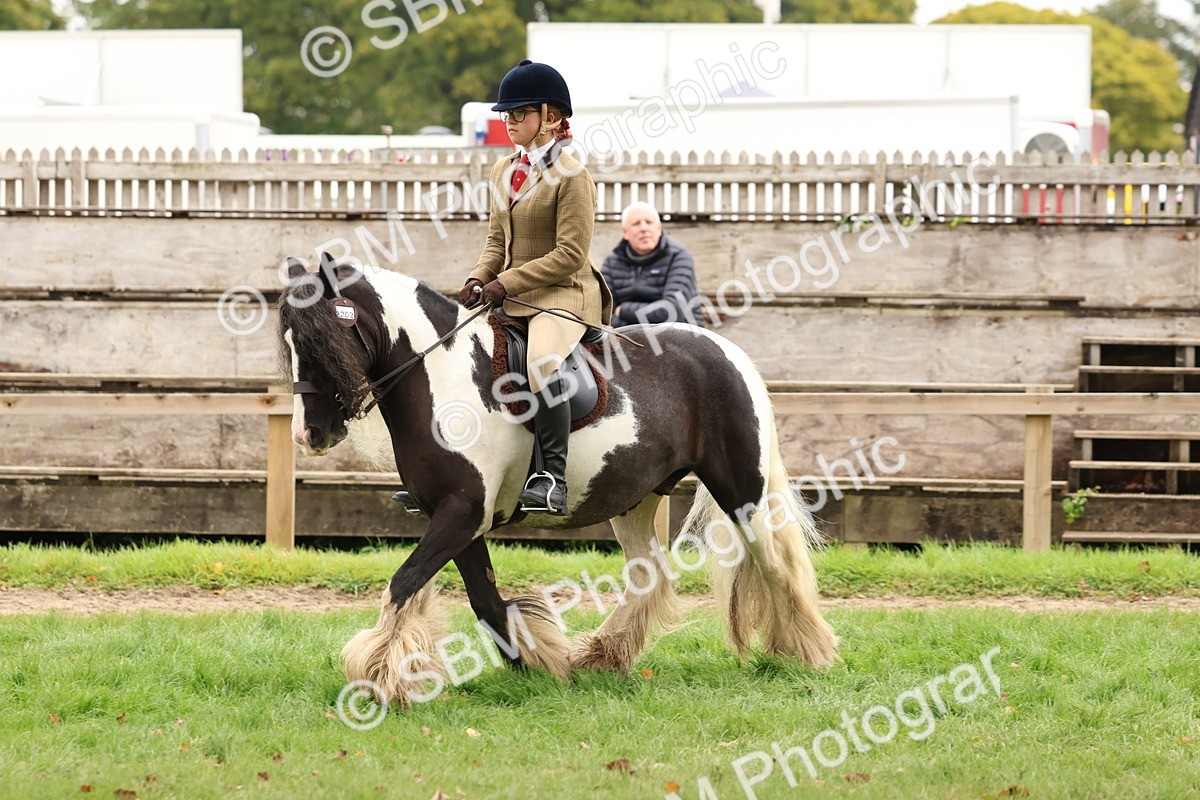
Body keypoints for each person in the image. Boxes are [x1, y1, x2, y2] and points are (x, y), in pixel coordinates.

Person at [394, 60, 611, 518]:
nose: (509, 122)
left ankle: (550, 476)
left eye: (519, 113)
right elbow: (497, 241)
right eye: (506, 115)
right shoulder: (503, 170)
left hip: (562, 292)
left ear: (551, 116)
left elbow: (570, 254)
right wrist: (477, 278)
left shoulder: (574, 176)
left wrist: (504, 282)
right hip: (509, 292)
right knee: (456, 359)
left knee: (540, 364)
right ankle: (444, 473)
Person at [601, 202, 703, 328]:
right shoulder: (611, 263)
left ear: (659, 228)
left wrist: (623, 310)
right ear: (625, 232)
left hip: (680, 339)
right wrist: (632, 331)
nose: (644, 228)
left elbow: (672, 311)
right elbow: (602, 314)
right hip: (626, 340)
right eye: (636, 223)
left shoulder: (679, 257)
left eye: (649, 222)